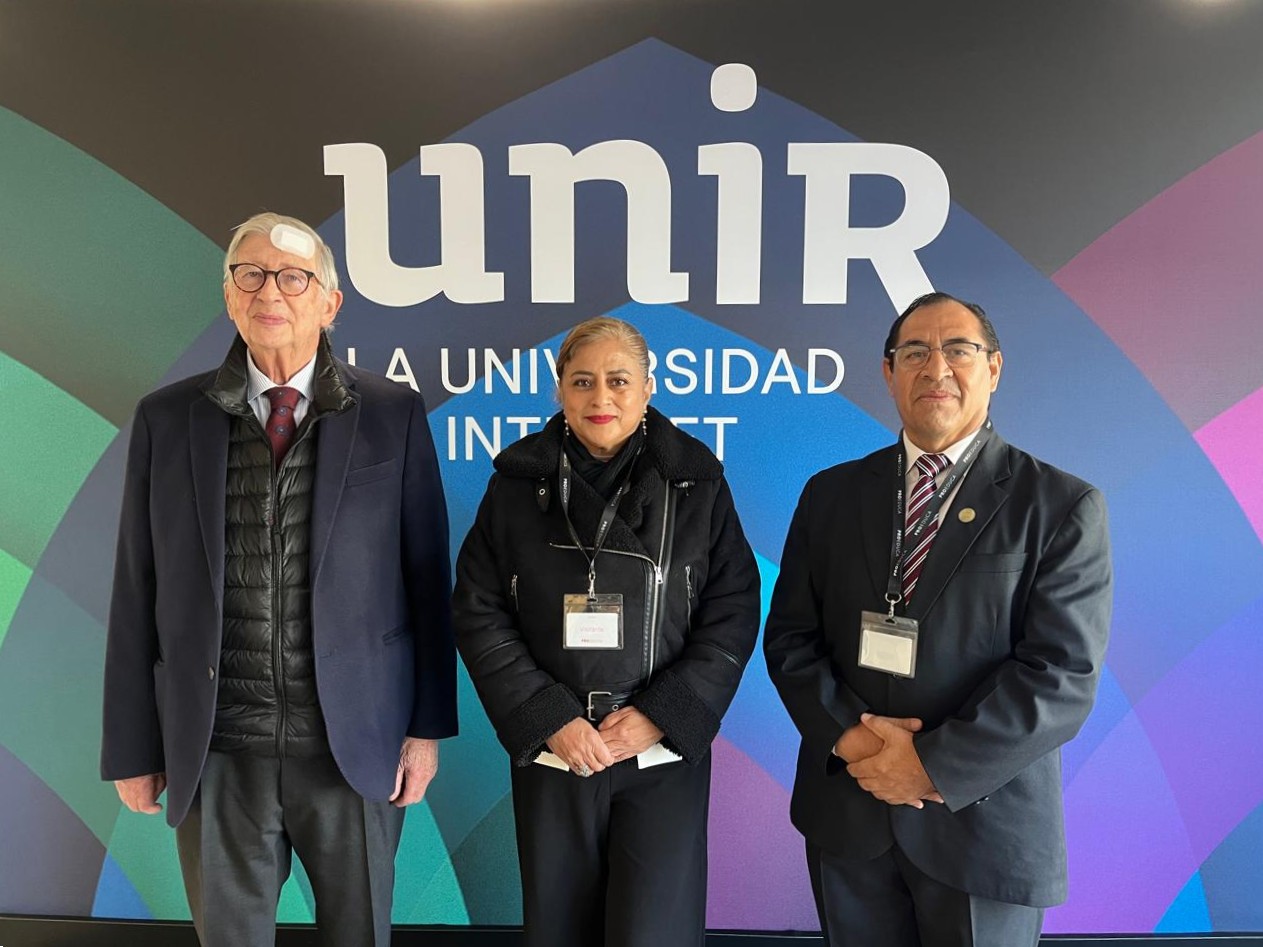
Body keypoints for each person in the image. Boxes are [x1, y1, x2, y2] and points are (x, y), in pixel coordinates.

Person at [100, 212, 456, 947]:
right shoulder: (167, 418)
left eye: (293, 277)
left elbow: (427, 581)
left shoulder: (391, 413)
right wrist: (132, 748)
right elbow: (137, 586)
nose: (271, 292)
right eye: (251, 274)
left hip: (353, 746)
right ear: (229, 295)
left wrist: (426, 730)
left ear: (329, 302)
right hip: (218, 749)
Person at [763, 292, 1113, 947]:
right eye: (915, 352)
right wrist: (852, 740)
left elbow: (1061, 674)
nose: (936, 367)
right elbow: (790, 638)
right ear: (888, 371)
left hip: (982, 825)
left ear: (993, 368)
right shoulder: (830, 494)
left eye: (958, 349)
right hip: (851, 811)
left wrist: (930, 765)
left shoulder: (1058, 504)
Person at [452, 316, 761, 947]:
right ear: (560, 389)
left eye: (619, 381)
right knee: (559, 926)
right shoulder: (514, 486)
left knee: (657, 932)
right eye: (583, 381)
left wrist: (662, 714)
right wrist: (550, 718)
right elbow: (478, 610)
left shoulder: (699, 484)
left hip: (659, 750)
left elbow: (732, 610)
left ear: (647, 388)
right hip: (557, 749)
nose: (601, 398)